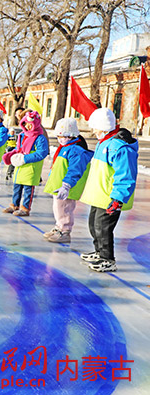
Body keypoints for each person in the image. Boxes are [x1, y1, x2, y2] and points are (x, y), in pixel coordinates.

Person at [79, 108, 138, 272]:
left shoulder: (119, 147)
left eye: (96, 127)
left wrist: (118, 198)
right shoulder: (104, 142)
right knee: (93, 225)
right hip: (98, 195)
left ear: (104, 127)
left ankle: (108, 259)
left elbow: (125, 174)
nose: (93, 130)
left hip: (110, 197)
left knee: (103, 227)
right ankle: (99, 251)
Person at [42, 118, 93, 243]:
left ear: (71, 135)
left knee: (65, 209)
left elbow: (75, 169)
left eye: (63, 136)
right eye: (58, 136)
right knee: (58, 208)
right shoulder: (65, 148)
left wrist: (67, 185)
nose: (60, 139)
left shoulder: (75, 150)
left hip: (68, 186)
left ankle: (65, 230)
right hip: (60, 184)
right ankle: (59, 227)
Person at [2, 110, 49, 217]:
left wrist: (25, 158)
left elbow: (42, 153)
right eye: (26, 124)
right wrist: (11, 155)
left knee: (28, 188)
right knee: (17, 186)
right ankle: (14, 204)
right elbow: (19, 148)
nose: (28, 127)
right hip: (20, 166)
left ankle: (25, 207)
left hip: (31, 167)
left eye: (30, 124)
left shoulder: (39, 138)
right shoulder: (22, 135)